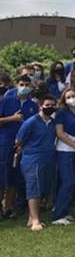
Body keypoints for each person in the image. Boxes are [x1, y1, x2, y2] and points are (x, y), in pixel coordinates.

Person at [14, 94, 57, 231]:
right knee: (34, 189)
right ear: (41, 106)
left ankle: (30, 217)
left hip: (48, 158)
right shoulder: (31, 122)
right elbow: (19, 140)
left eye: (52, 105)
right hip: (32, 159)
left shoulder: (52, 123)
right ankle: (35, 221)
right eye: (47, 105)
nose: (50, 108)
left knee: (43, 187)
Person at [0, 75, 38, 216]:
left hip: (22, 146)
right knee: (2, 175)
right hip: (4, 143)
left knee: (14, 177)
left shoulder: (33, 106)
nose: (24, 87)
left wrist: (24, 144)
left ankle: (9, 208)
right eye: (22, 84)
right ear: (16, 85)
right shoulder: (6, 101)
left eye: (27, 84)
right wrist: (13, 118)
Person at [52, 88, 75, 224]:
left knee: (74, 182)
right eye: (68, 97)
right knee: (67, 181)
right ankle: (58, 214)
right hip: (64, 151)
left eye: (73, 96)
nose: (72, 98)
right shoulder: (61, 114)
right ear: (64, 100)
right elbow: (60, 133)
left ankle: (65, 211)